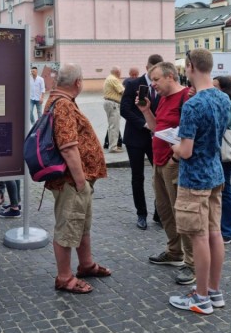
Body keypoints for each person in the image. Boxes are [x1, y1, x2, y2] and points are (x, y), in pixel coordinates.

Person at [169, 48, 230, 315]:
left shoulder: (193, 104)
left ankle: (201, 297)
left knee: (199, 237)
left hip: (195, 178)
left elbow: (186, 151)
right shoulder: (222, 98)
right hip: (216, 173)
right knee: (215, 233)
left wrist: (173, 148)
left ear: (190, 66)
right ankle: (214, 291)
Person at [45, 63, 110, 294]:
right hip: (71, 182)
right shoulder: (62, 104)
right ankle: (64, 277)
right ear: (78, 83)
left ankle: (86, 265)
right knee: (67, 228)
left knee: (81, 225)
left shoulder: (61, 100)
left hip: (76, 181)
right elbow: (68, 147)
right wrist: (81, 182)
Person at [137, 62, 195, 285]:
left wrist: (176, 158)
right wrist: (146, 111)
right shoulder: (162, 99)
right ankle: (174, 252)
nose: (153, 84)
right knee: (165, 211)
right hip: (158, 162)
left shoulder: (185, 98)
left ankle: (191, 264)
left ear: (170, 77)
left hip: (174, 163)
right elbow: (157, 128)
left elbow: (191, 133)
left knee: (181, 213)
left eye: (156, 79)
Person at [121, 54, 163, 229]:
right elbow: (125, 109)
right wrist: (144, 123)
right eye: (154, 72)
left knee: (160, 177)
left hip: (157, 138)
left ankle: (159, 212)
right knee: (137, 177)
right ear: (147, 68)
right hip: (136, 137)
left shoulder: (161, 86)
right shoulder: (132, 84)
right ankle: (141, 214)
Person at [213, 76, 231, 244]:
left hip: (224, 151)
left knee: (225, 188)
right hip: (219, 151)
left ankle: (229, 230)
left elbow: (223, 124)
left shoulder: (228, 104)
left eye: (215, 86)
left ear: (223, 88)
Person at [103, 66, 125, 153]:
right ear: (117, 72)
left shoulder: (109, 78)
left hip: (109, 103)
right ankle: (113, 147)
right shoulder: (114, 79)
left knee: (111, 126)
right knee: (114, 126)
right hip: (113, 104)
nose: (120, 74)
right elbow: (123, 91)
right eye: (120, 72)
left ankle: (112, 145)